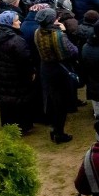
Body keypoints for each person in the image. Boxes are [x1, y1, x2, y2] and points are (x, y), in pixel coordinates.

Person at [34, 8, 78, 143]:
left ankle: (54, 127)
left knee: (51, 99)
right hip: (60, 70)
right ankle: (59, 132)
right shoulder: (58, 35)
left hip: (45, 67)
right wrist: (64, 32)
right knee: (61, 102)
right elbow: (73, 51)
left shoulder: (37, 32)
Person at [0, 11, 35, 132]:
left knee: (6, 99)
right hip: (17, 75)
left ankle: (8, 124)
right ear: (9, 23)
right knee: (20, 100)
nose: (19, 21)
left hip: (2, 73)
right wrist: (30, 73)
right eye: (16, 20)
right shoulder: (16, 41)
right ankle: (23, 126)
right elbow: (25, 60)